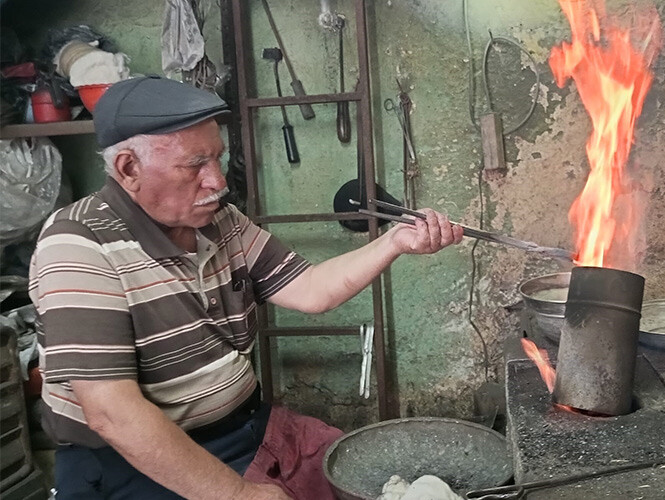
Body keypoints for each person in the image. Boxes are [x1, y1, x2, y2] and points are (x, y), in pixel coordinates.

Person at [29, 76, 463, 500]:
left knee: (358, 476)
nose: (217, 182)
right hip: (137, 464)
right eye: (195, 165)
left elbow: (311, 289)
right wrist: (238, 494)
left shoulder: (221, 222)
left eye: (217, 159)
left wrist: (394, 241)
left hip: (246, 430)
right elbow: (113, 414)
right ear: (129, 168)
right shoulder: (79, 243)